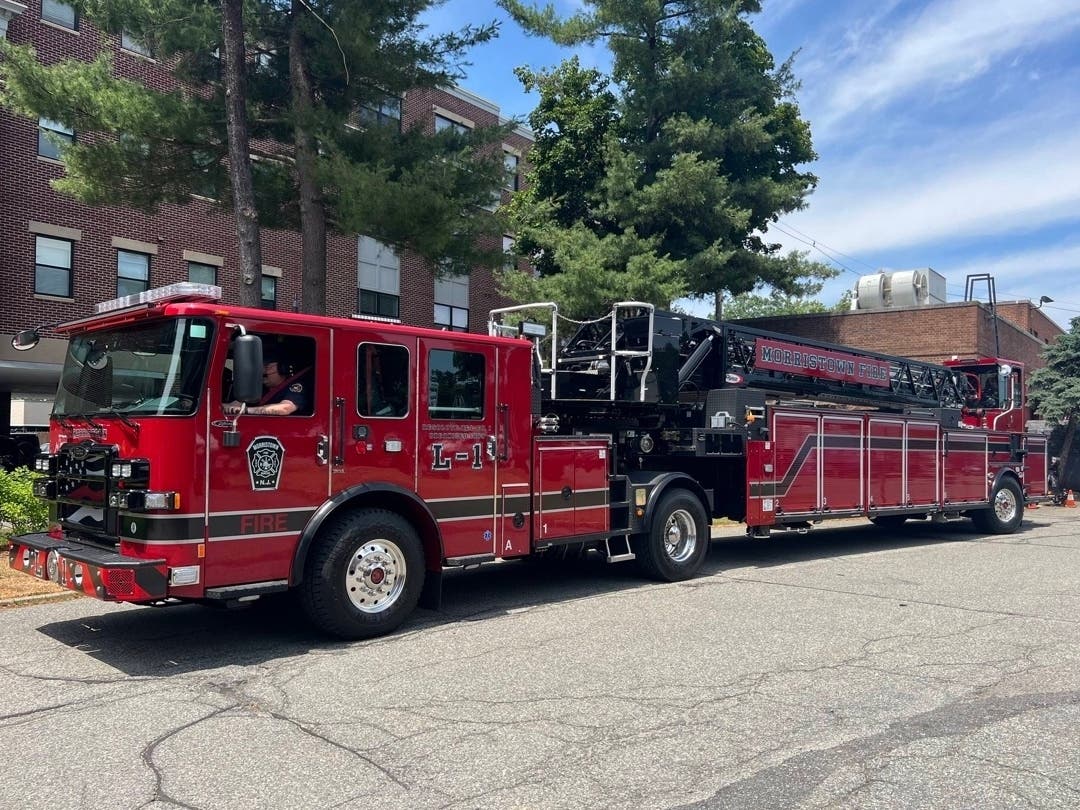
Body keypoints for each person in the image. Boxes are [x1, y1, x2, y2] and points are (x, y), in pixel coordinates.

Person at [224, 352, 310, 416]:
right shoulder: (261, 387)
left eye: (267, 368)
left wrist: (246, 410)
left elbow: (285, 408)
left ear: (282, 369)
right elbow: (235, 405)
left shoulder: (295, 386)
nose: (262, 375)